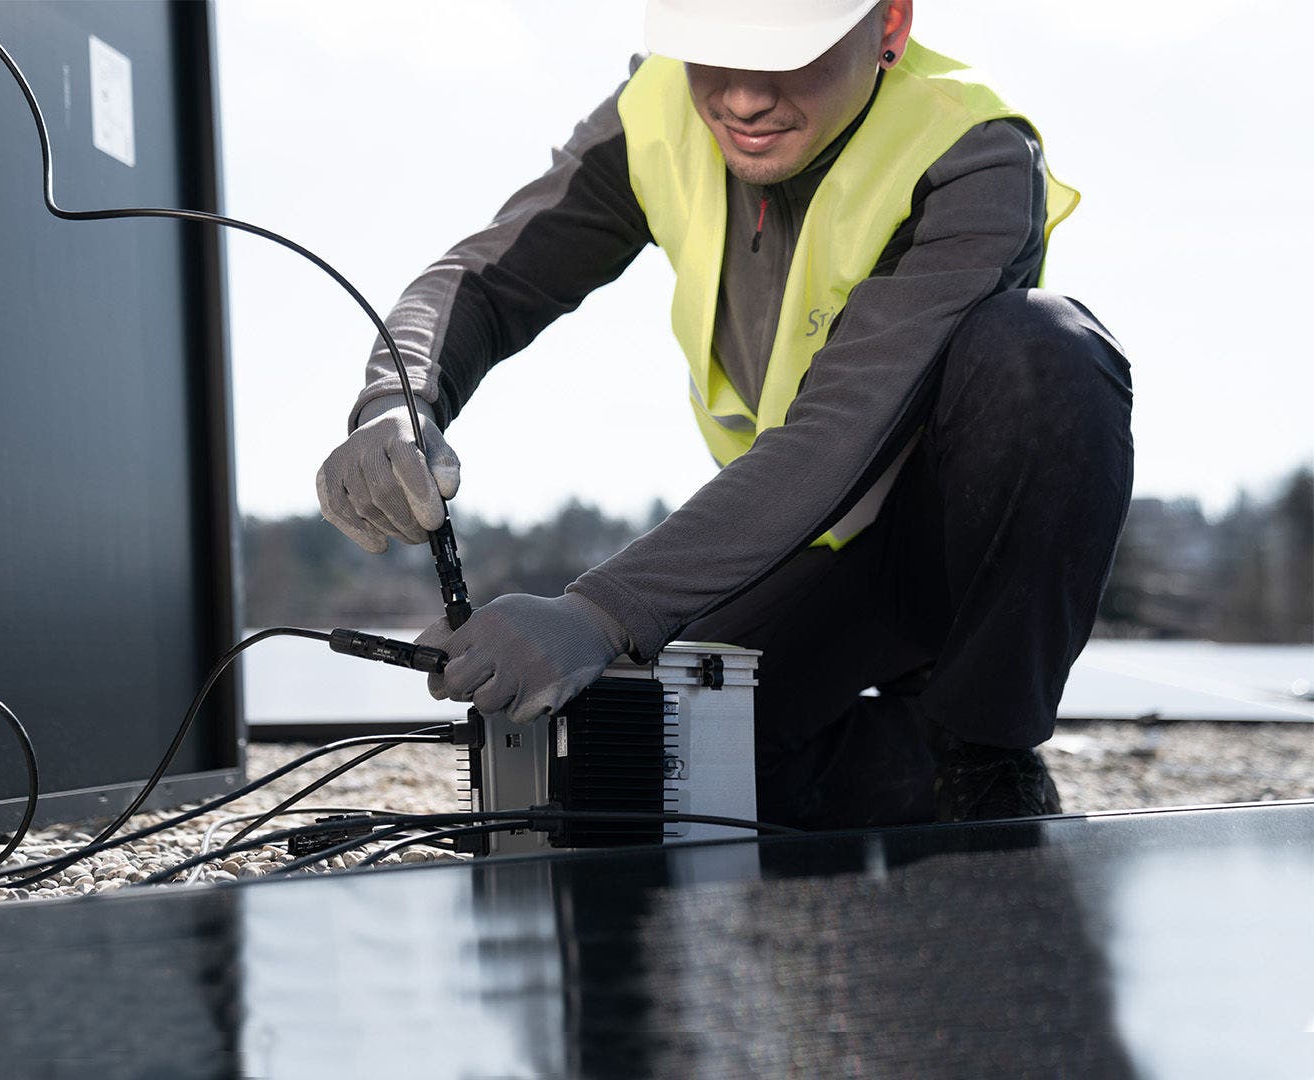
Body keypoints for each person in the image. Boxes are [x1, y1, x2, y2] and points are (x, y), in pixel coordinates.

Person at [314, 0, 1134, 828]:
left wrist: (599, 614)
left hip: (943, 543)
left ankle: (985, 755)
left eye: (787, 57)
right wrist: (398, 397)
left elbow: (840, 432)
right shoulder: (659, 114)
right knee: (639, 783)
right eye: (712, 56)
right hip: (802, 544)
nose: (743, 100)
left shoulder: (971, 154)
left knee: (1046, 353)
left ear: (888, 26)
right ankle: (915, 762)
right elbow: (486, 280)